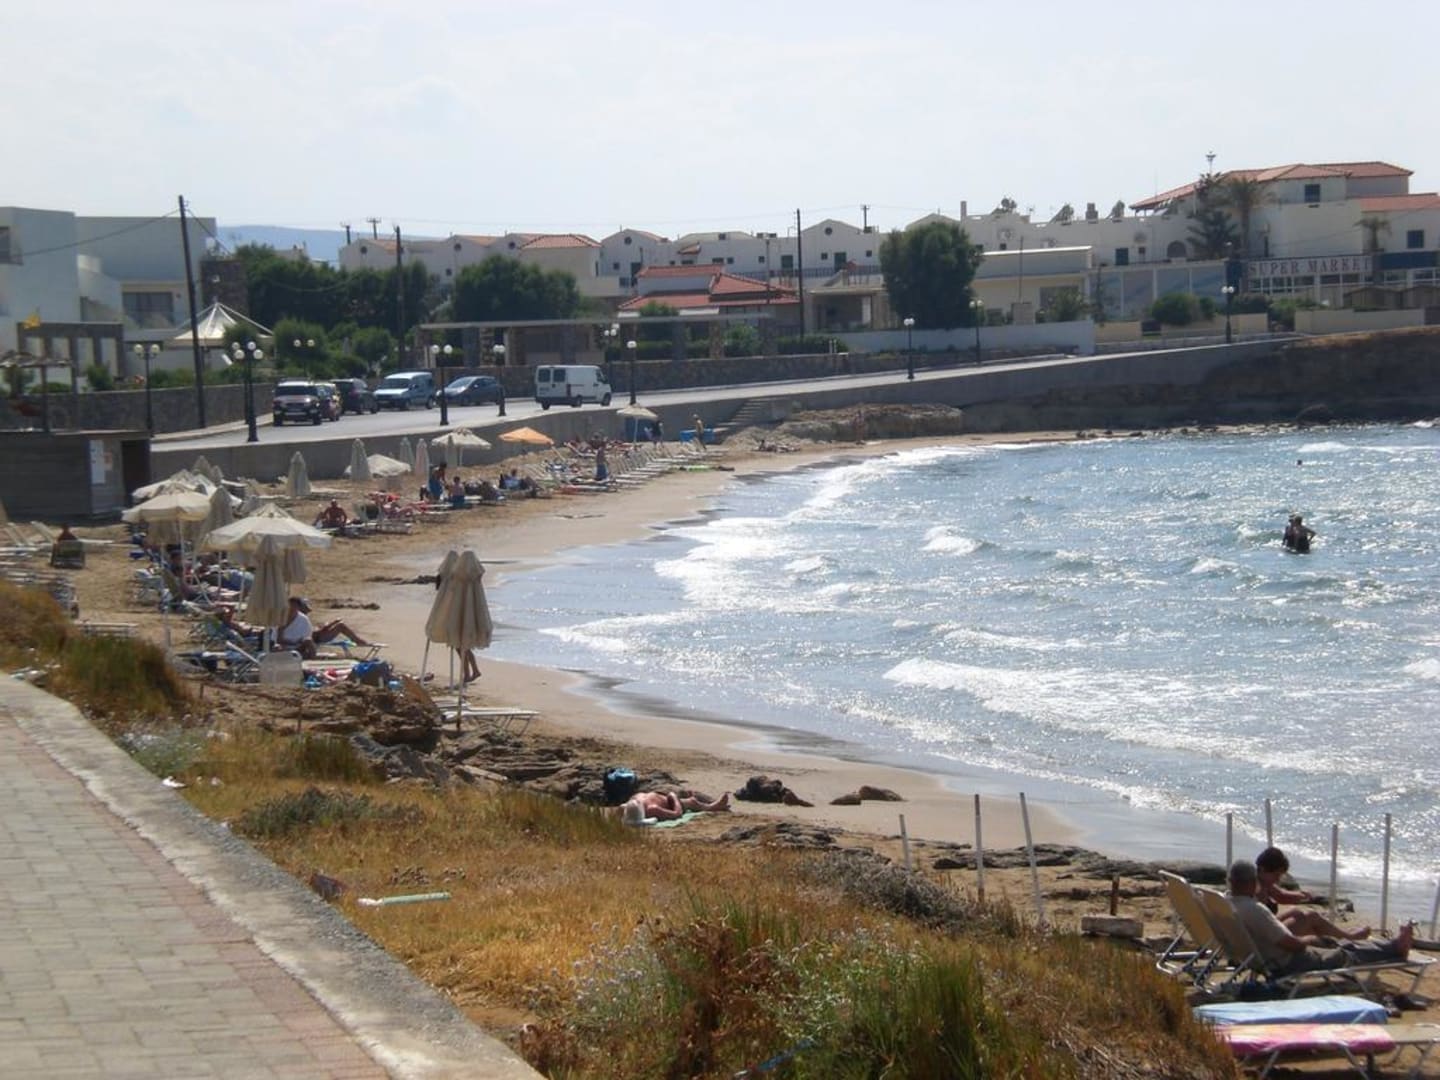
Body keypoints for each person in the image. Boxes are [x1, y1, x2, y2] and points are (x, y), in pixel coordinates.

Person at [1226, 859, 1411, 976]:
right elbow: (1293, 945)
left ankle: (1388, 945)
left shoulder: (1227, 902)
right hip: (1286, 963)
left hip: (1260, 959)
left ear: (1230, 881)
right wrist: (1309, 940)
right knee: (1344, 951)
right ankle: (1395, 948)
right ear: (1253, 883)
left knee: (1332, 941)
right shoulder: (1255, 910)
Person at [1254, 847, 1370, 941]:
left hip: (1265, 931)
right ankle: (1348, 937)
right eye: (1276, 875)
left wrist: (1302, 895)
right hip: (1267, 939)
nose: (1278, 879)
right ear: (1263, 869)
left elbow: (1281, 896)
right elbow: (1280, 898)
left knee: (1296, 912)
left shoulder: (1259, 881)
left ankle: (1335, 937)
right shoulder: (1256, 890)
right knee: (1311, 916)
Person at [275, 597, 371, 660]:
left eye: (295, 608)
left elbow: (308, 634)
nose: (293, 609)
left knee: (340, 625)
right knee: (310, 640)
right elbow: (279, 639)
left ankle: (358, 640)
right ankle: (358, 640)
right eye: (291, 607)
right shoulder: (282, 620)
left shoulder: (302, 619)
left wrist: (326, 626)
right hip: (301, 643)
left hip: (308, 641)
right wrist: (295, 641)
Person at [620, 790, 731, 825]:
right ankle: (712, 807)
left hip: (660, 796)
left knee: (688, 796)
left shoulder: (627, 807)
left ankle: (710, 804)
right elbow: (677, 814)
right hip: (670, 803)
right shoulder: (653, 809)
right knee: (692, 802)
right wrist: (673, 797)